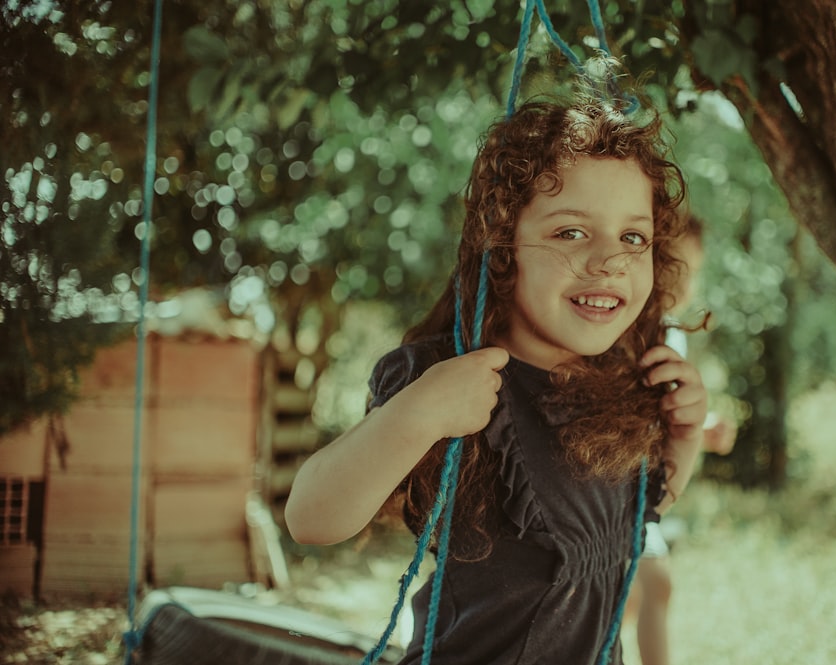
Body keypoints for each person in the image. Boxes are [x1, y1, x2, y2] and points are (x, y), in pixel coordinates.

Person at [284, 92, 708, 665]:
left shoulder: (623, 383)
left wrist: (684, 437)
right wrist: (417, 413)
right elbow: (311, 519)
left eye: (634, 237)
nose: (611, 259)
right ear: (502, 242)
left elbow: (629, 519)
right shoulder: (445, 380)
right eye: (571, 233)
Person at [632, 215, 737, 665]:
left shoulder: (672, 331)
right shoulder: (630, 330)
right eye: (674, 265)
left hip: (639, 490)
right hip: (616, 488)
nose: (684, 281)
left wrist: (701, 424)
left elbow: (665, 407)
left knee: (646, 587)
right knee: (645, 586)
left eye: (693, 271)